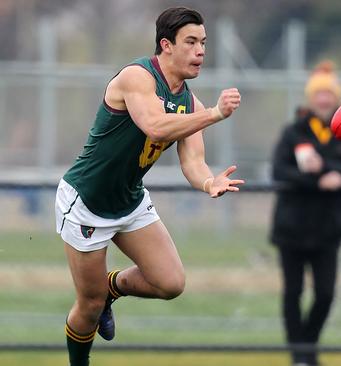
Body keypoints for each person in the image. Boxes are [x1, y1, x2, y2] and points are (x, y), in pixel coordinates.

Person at [55, 7, 244, 366]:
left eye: (203, 42)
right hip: (86, 202)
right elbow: (155, 126)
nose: (200, 50)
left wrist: (208, 182)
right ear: (166, 45)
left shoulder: (191, 102)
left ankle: (114, 286)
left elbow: (192, 161)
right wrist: (216, 113)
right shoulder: (136, 77)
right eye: (190, 42)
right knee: (89, 304)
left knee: (171, 282)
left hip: (129, 201)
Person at [270, 61, 341, 366]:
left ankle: (307, 348)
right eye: (318, 94)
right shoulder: (294, 130)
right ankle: (299, 355)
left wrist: (330, 172)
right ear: (311, 98)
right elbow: (279, 170)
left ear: (336, 98)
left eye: (329, 94)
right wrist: (316, 178)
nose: (323, 100)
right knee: (293, 293)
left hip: (328, 228)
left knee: (325, 294)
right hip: (292, 227)